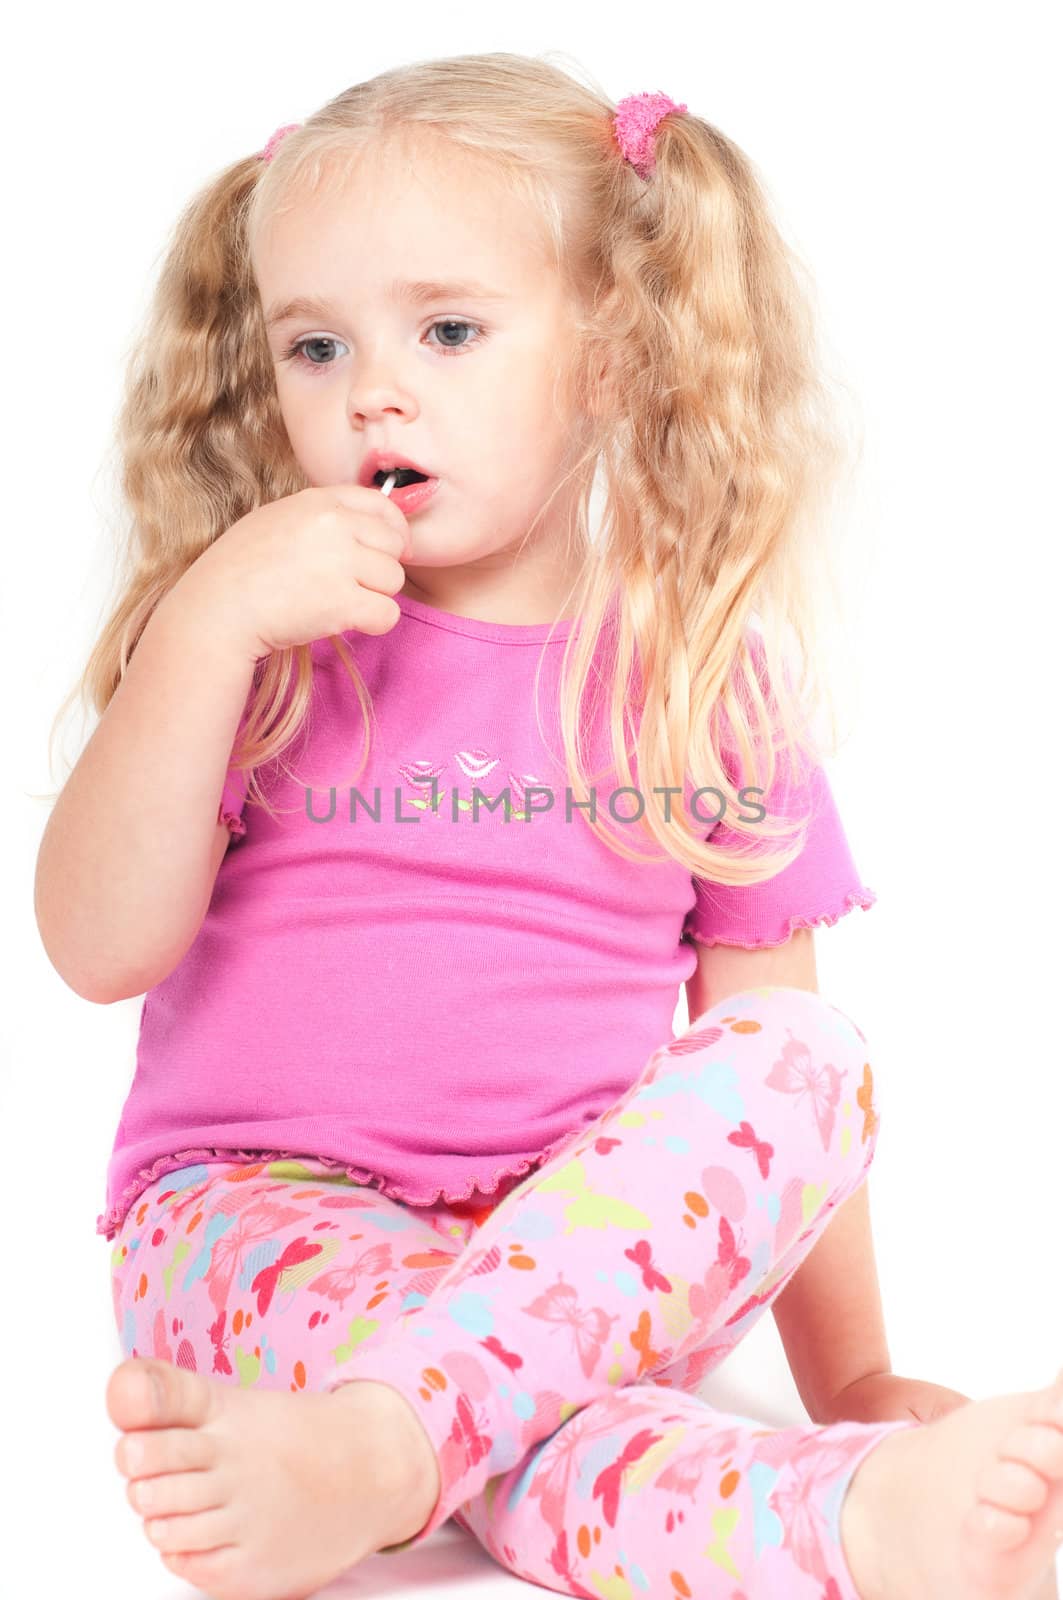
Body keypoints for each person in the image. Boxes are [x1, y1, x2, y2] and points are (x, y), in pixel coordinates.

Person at [35, 50, 1063, 1600]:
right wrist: (197, 631)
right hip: (258, 1219)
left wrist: (854, 1378)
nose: (372, 388)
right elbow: (95, 947)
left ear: (614, 356)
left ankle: (441, 1454)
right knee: (531, 1417)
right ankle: (818, 1528)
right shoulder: (258, 650)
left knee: (814, 1062)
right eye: (315, 346)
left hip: (579, 1253)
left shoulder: (704, 677)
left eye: (446, 330)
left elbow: (773, 1102)